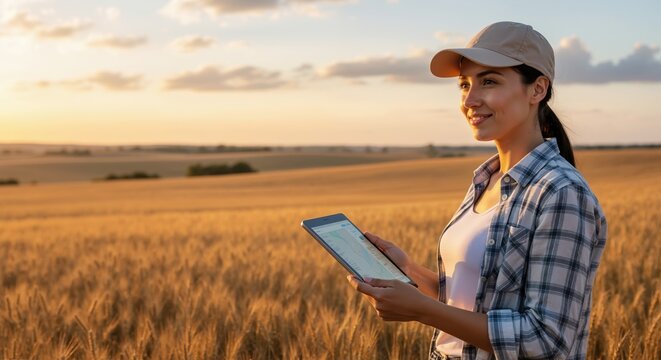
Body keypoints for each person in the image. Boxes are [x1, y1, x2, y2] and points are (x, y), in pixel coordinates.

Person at [346, 21, 608, 360]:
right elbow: (475, 299)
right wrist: (409, 271)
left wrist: (423, 311)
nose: (470, 99)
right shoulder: (487, 180)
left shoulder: (560, 193)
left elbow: (545, 339)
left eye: (489, 81)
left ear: (537, 89)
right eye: (464, 84)